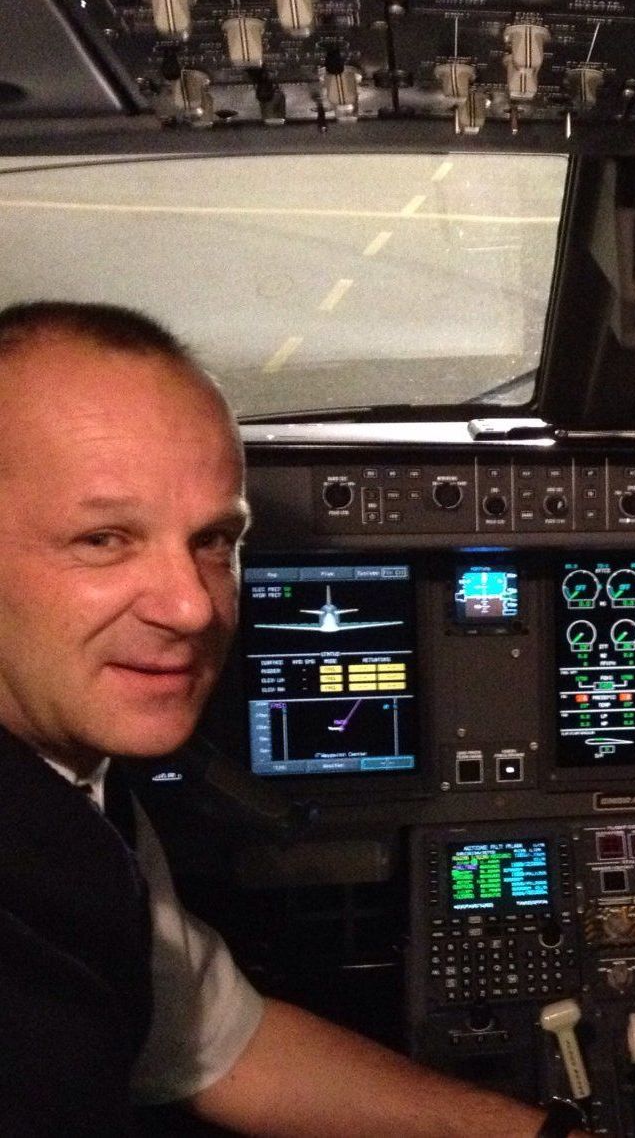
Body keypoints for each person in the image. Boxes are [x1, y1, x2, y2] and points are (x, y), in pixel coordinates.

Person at [0, 301, 576, 1136]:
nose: (193, 607)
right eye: (103, 540)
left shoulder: (75, 790)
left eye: (213, 540)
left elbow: (224, 1044)